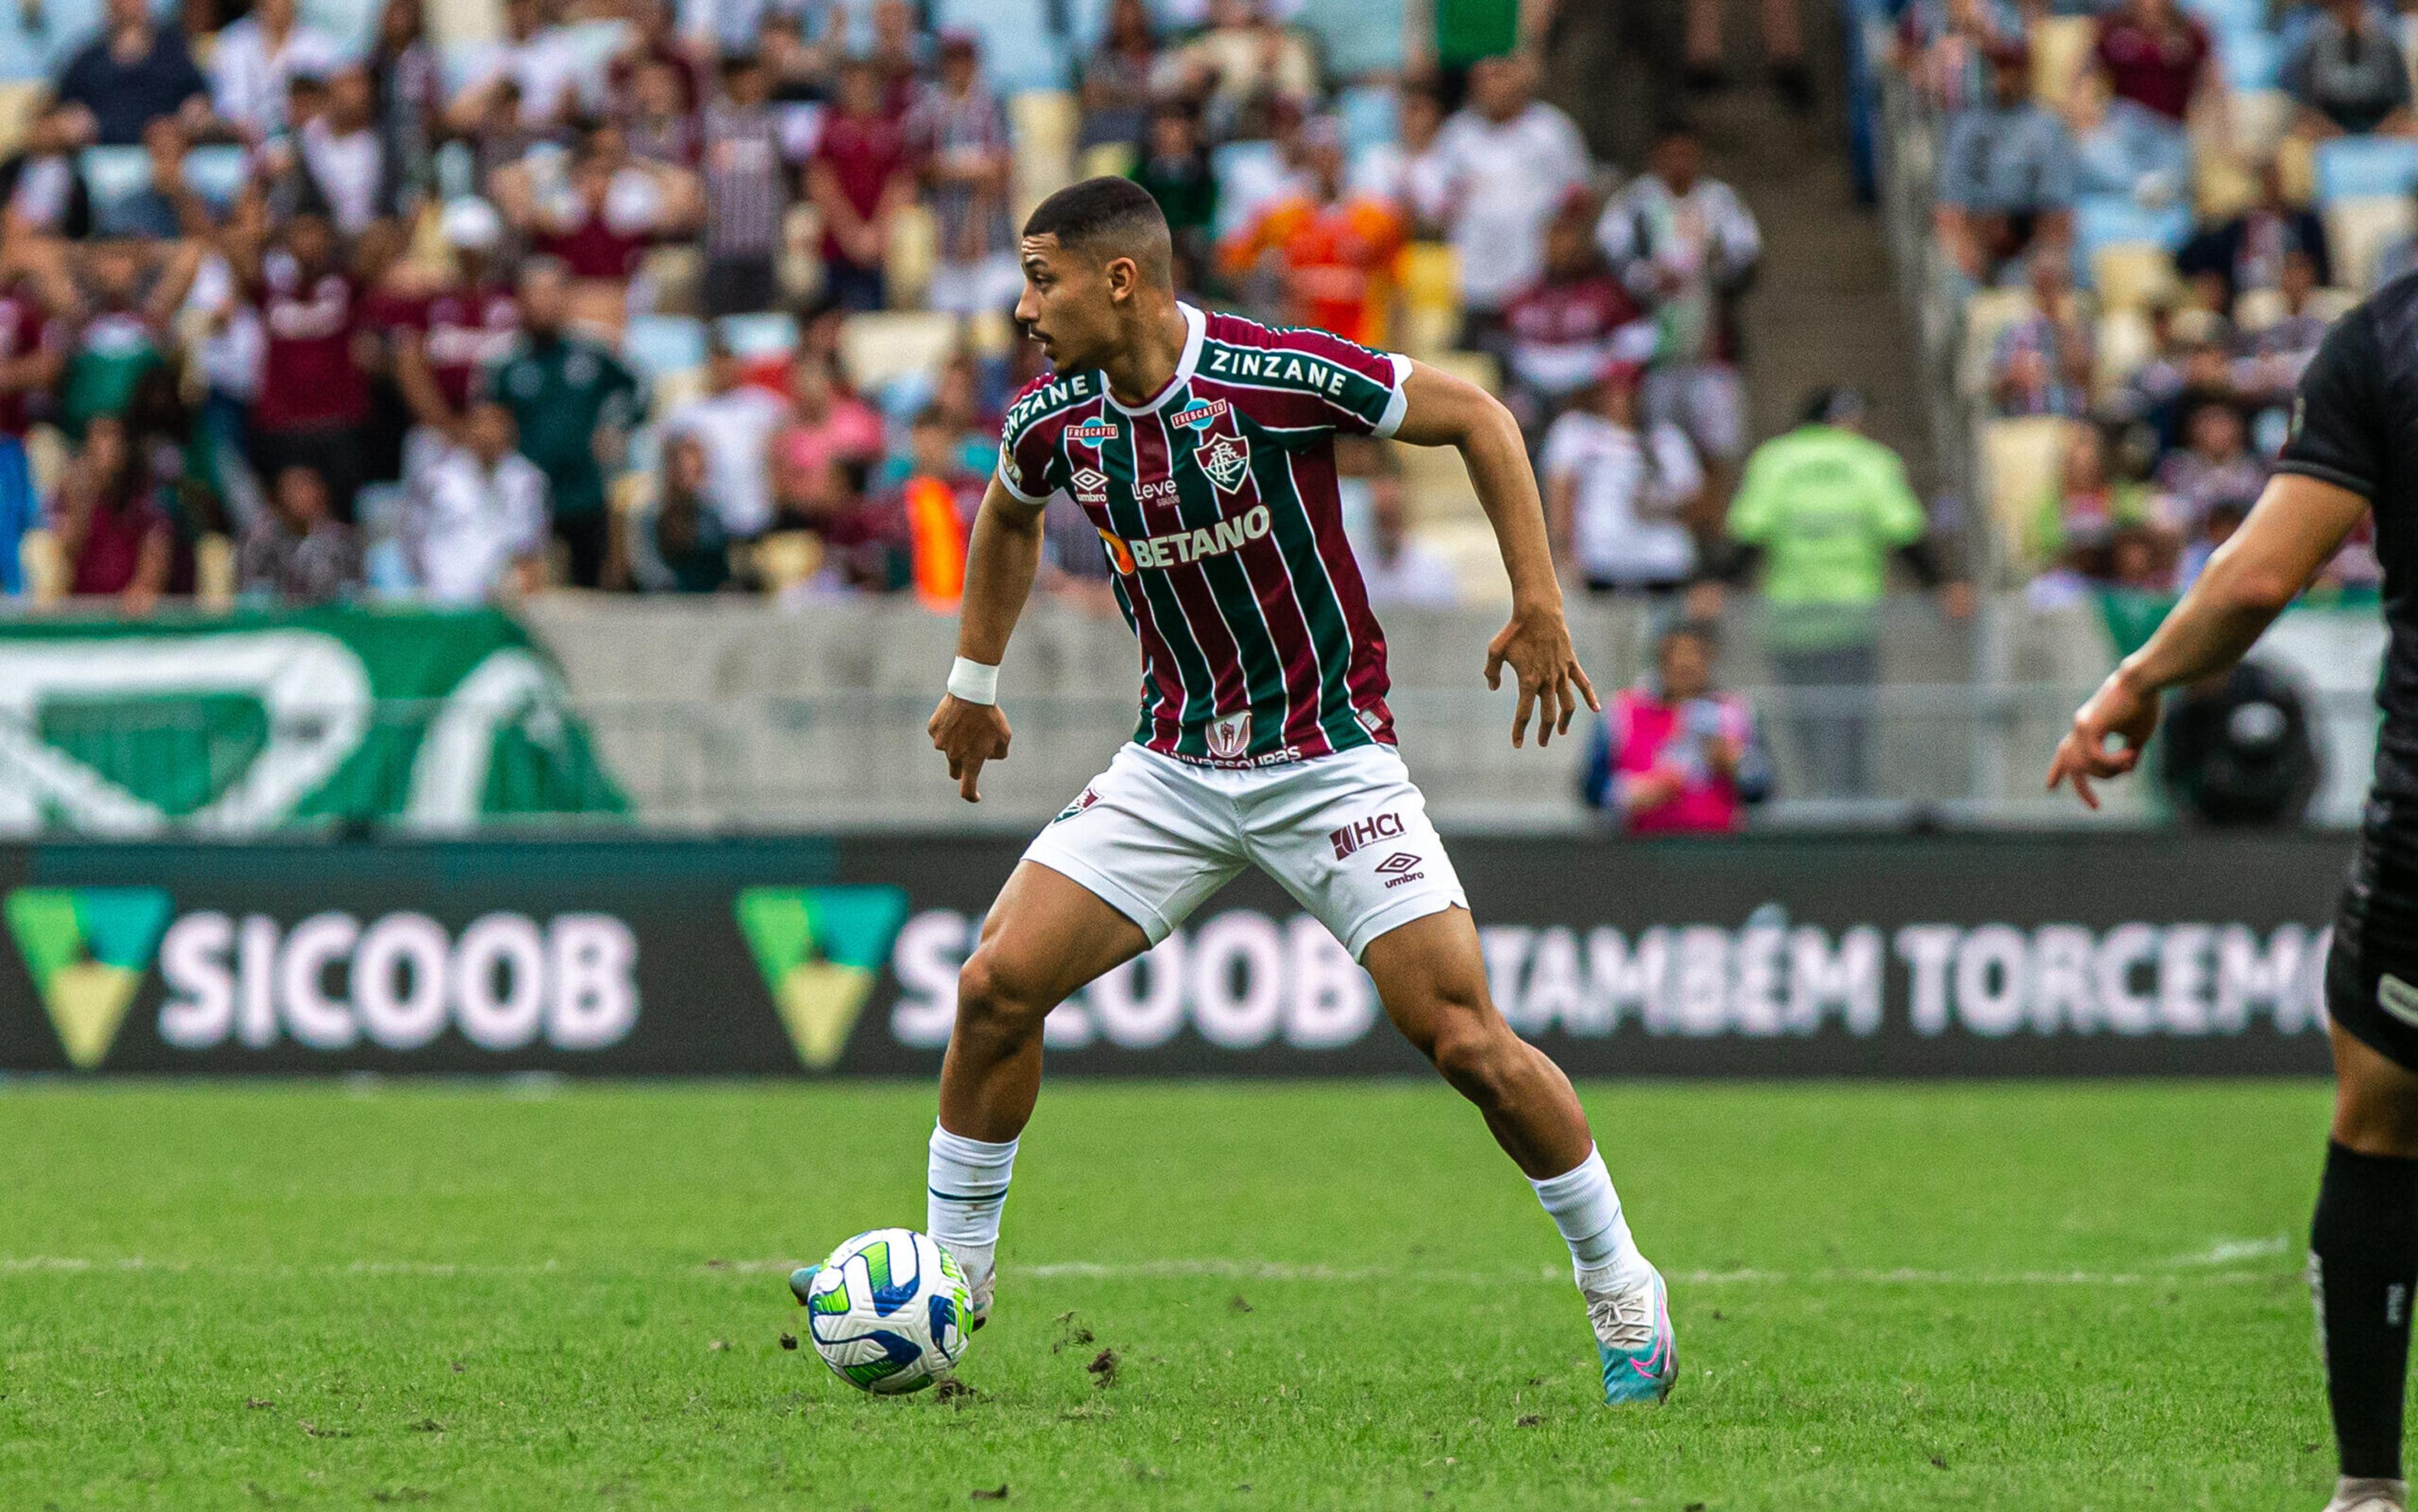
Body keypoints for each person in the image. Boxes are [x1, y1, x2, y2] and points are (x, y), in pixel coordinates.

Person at [800, 176, 1680, 1409]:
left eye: (1042, 277)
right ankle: (952, 1276)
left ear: (1120, 280)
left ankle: (1621, 1284)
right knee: (996, 987)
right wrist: (973, 678)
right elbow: (1005, 520)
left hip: (1327, 760)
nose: (1022, 305)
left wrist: (1538, 600)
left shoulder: (1271, 379)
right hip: (1171, 768)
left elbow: (1478, 415)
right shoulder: (1055, 421)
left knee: (1468, 1042)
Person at [2043, 266, 2418, 1512]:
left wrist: (2136, 683)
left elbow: (2261, 580)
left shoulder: (2385, 337)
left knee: (2379, 1116)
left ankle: (2368, 1487)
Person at [1725, 386, 1972, 798]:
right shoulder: (1872, 461)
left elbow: (1748, 535)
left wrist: (1718, 585)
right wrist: (1942, 587)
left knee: (1804, 729)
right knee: (1854, 726)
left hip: (1791, 621)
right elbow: (1905, 533)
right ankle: (1850, 809)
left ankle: (1814, 805)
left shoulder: (1773, 460)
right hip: (1855, 621)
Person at [1596, 123, 1761, 489]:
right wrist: (1649, 278)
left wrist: (1712, 267)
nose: (1678, 164)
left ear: (1698, 156)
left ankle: (1714, 523)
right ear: (1656, 158)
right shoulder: (1635, 203)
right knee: (1661, 444)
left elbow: (1747, 259)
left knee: (1717, 446)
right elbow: (1612, 256)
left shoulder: (1720, 202)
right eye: (1670, 156)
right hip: (1656, 351)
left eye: (1686, 155)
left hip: (1712, 347)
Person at [484, 258, 644, 588]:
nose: (544, 303)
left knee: (592, 591)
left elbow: (638, 392)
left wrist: (617, 428)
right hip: (527, 497)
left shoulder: (591, 356)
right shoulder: (507, 365)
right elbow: (488, 421)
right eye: (536, 294)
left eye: (552, 294)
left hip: (583, 492)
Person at [1429, 55, 1589, 350]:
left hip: (1531, 273)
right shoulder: (1457, 134)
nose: (1493, 86)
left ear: (1520, 79)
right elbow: (1439, 201)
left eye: (1500, 75)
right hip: (1470, 272)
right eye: (1485, 78)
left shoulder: (1551, 130)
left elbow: (1577, 198)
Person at [1217, 116, 1405, 346]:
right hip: (1300, 345)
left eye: (1333, 152)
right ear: (1308, 157)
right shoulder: (1282, 214)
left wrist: (1397, 348)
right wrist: (1270, 277)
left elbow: (1396, 285)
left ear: (1345, 156)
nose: (1327, 161)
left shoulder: (1377, 218)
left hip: (1360, 344)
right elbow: (1234, 262)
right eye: (1320, 152)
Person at [1581, 620, 1769, 833]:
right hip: (1641, 850)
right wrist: (1630, 793)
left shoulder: (1735, 713)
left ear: (1709, 658)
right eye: (1676, 654)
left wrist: (1736, 764)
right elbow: (1592, 789)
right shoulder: (1621, 711)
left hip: (1719, 850)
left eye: (1695, 655)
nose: (1685, 663)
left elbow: (1762, 789)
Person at [1542, 361, 1704, 596]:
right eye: (1613, 389)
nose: (1621, 397)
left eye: (1629, 390)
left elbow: (1699, 503)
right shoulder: (1577, 432)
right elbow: (1560, 493)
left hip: (1662, 561)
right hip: (1601, 562)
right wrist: (1562, 555)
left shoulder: (1667, 440)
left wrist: (1661, 504)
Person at [1934, 42, 2079, 284]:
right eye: (1996, 70)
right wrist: (1968, 245)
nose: (2003, 79)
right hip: (1979, 233)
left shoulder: (2046, 127)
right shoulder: (1967, 126)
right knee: (1954, 276)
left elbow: (2057, 212)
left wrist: (2038, 249)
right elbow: (1951, 206)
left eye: (2010, 69)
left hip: (2029, 237)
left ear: (2026, 73)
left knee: (2045, 269)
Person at [909, 33, 1021, 319]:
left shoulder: (993, 105)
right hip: (947, 247)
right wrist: (974, 167)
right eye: (952, 60)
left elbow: (1001, 167)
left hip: (993, 244)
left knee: (1003, 326)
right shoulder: (930, 109)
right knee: (946, 332)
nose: (958, 68)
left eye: (965, 60)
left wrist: (973, 225)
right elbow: (922, 167)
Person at [406, 397, 548, 605]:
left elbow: (529, 548)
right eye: (481, 423)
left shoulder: (527, 481)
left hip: (499, 603)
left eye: (497, 423)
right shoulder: (438, 480)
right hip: (444, 597)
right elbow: (412, 536)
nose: (488, 432)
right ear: (467, 427)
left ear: (511, 430)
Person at [808, 58, 913, 312]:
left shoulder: (890, 125)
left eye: (865, 81)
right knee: (834, 320)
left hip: (879, 245)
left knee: (872, 321)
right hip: (838, 243)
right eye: (853, 81)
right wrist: (850, 232)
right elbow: (820, 180)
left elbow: (900, 183)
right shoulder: (831, 124)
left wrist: (876, 232)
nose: (859, 88)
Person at [666, 334, 786, 542]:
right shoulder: (687, 412)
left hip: (763, 514)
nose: (724, 368)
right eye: (718, 361)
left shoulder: (764, 404)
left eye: (729, 360)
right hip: (711, 519)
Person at [700, 54, 787, 319]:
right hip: (722, 243)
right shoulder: (709, 122)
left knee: (759, 325)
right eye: (747, 79)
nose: (754, 86)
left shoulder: (772, 124)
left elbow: (780, 181)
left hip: (762, 244)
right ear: (730, 81)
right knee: (722, 324)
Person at [52, 0, 210, 147]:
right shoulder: (89, 57)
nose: (129, 6)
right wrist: (74, 119)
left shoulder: (174, 51)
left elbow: (198, 99)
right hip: (101, 154)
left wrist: (184, 123)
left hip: (164, 153)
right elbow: (65, 104)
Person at [2286, 0, 2416, 140]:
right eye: (2343, 5)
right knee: (2296, 142)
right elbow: (2304, 107)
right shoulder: (2314, 43)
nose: (2349, 10)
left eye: (2354, 5)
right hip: (2329, 129)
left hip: (2382, 129)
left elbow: (2403, 104)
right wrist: (2333, 132)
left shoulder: (2385, 43)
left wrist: (2381, 131)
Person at [237, 462, 361, 603]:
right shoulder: (260, 540)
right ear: (278, 495)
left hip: (326, 619)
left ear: (321, 493)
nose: (302, 495)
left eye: (308, 487)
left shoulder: (342, 539)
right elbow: (253, 597)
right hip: (276, 621)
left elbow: (352, 593)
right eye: (294, 488)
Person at [627, 431, 731, 593]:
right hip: (665, 605)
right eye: (685, 470)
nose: (692, 475)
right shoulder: (650, 515)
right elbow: (648, 572)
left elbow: (719, 569)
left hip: (708, 605)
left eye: (696, 469)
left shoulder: (710, 514)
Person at [1357, 468, 1458, 607]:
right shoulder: (1354, 567)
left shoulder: (1434, 568)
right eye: (1383, 518)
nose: (1388, 528)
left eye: (1393, 517)